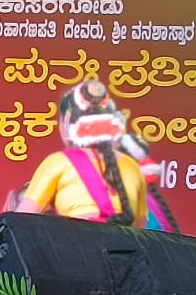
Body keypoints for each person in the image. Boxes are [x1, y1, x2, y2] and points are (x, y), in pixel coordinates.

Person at [15, 80, 147, 227]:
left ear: (68, 123)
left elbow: (20, 222)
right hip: (124, 241)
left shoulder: (58, 162)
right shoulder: (132, 167)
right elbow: (140, 230)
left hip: (74, 241)